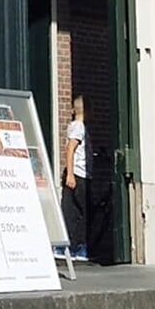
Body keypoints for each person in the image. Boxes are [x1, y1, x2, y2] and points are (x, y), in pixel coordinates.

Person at [60, 95, 89, 262]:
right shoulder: (79, 127)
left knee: (73, 209)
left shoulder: (74, 126)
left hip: (77, 173)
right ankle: (77, 246)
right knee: (80, 211)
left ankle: (71, 245)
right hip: (79, 174)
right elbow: (70, 148)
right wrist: (71, 174)